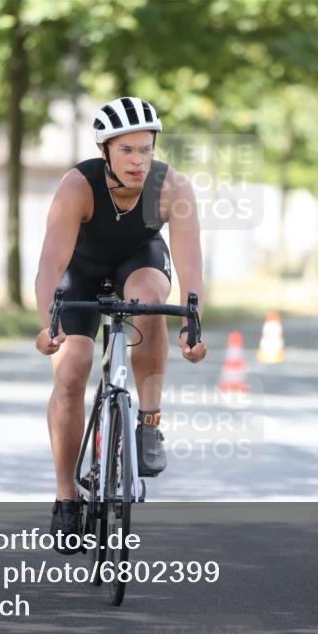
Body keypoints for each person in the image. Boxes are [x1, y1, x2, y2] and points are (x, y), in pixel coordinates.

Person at [34, 97, 207, 552]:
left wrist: (194, 326)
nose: (138, 160)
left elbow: (192, 271)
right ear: (105, 151)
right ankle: (66, 498)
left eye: (146, 150)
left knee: (150, 302)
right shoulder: (78, 185)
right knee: (73, 368)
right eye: (127, 150)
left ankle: (148, 422)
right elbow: (50, 264)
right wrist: (46, 323)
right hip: (81, 269)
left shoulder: (171, 188)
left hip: (140, 262)